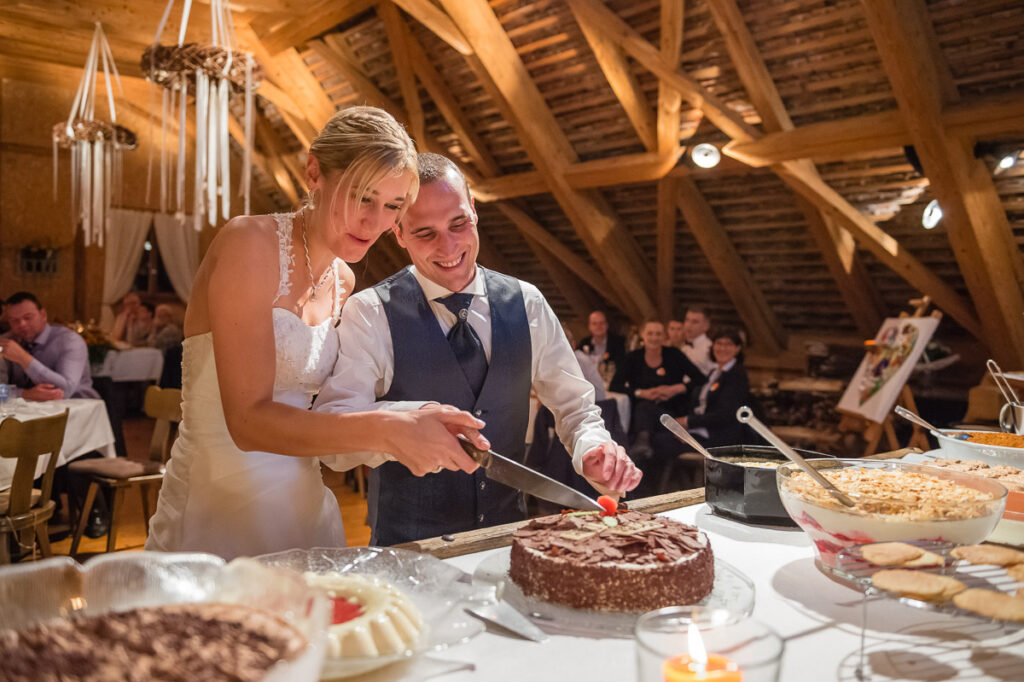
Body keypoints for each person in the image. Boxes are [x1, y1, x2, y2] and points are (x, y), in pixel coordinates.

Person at [146, 108, 486, 560]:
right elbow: (247, 421)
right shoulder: (249, 243)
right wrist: (387, 430)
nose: (375, 223)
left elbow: (327, 408)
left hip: (302, 503)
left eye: (393, 207)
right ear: (314, 173)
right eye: (363, 197)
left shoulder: (343, 281)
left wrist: (416, 417)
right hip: (218, 503)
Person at [315, 153, 641, 546]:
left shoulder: (528, 302)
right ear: (398, 233)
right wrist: (405, 421)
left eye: (458, 223)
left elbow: (575, 407)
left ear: (474, 210)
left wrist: (594, 449)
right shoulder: (370, 312)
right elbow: (335, 437)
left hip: (507, 538)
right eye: (425, 233)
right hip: (409, 545)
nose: (449, 246)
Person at [610, 320, 706, 468]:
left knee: (645, 410)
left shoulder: (674, 355)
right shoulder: (633, 357)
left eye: (658, 334)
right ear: (642, 335)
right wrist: (642, 393)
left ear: (664, 336)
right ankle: (643, 448)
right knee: (644, 407)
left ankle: (642, 442)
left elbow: (700, 379)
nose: (654, 338)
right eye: (650, 333)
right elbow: (615, 385)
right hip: (640, 415)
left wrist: (677, 388)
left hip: (671, 413)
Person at [0, 291, 100, 400]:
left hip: (78, 408)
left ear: (43, 315)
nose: (22, 324)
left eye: (28, 318)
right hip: (28, 410)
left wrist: (23, 358)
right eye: (14, 320)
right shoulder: (7, 342)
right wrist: (25, 394)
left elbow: (65, 391)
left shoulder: (69, 340)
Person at [680, 306, 714, 375]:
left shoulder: (709, 348)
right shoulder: (684, 346)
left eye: (695, 322)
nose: (688, 325)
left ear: (706, 326)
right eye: (687, 320)